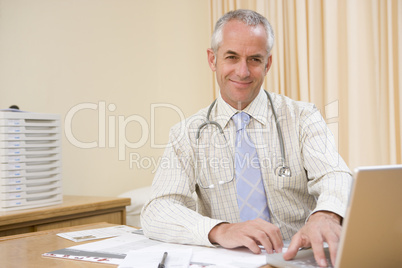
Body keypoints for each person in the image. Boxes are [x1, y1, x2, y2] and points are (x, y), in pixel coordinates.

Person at [141, 9, 352, 267]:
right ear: (212, 59)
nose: (242, 71)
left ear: (268, 63)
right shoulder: (187, 134)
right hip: (230, 262)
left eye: (254, 59)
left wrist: (327, 215)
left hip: (297, 258)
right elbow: (158, 210)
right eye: (231, 57)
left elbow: (335, 175)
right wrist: (221, 230)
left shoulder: (303, 117)